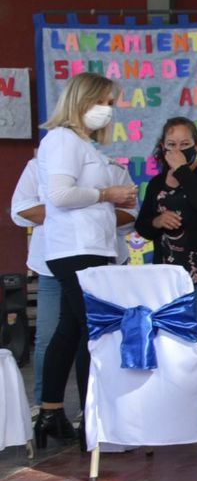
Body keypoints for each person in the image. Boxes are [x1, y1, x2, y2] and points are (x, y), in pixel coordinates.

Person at [34, 73, 139, 449]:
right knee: (94, 331)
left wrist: (112, 199)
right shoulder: (63, 139)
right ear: (82, 100)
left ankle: (50, 412)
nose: (107, 111)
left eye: (112, 104)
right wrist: (107, 193)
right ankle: (93, 421)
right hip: (75, 248)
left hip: (91, 247)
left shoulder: (85, 144)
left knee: (71, 329)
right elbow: (60, 195)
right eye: (103, 102)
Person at [135, 117, 197, 350]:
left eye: (184, 144)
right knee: (176, 339)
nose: (177, 150)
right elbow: (143, 227)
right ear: (163, 146)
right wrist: (158, 221)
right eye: (171, 144)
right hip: (169, 271)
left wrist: (181, 170)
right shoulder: (157, 183)